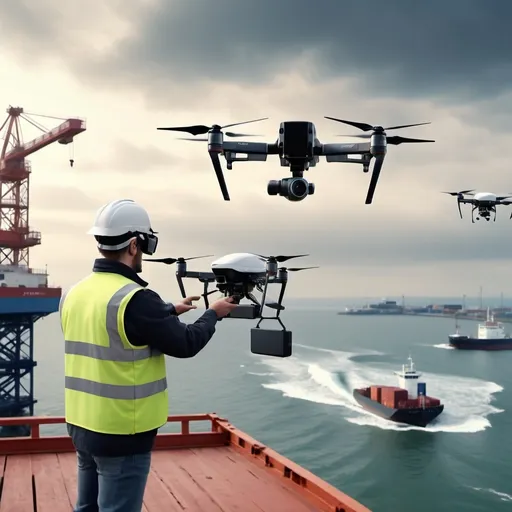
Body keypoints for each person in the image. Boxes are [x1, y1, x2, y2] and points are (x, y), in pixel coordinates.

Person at [59, 199, 238, 512]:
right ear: (133, 245)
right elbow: (186, 343)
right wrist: (213, 313)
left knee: (85, 508)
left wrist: (167, 310)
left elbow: (113, 329)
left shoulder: (75, 293)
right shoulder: (137, 300)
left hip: (81, 424)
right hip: (121, 432)